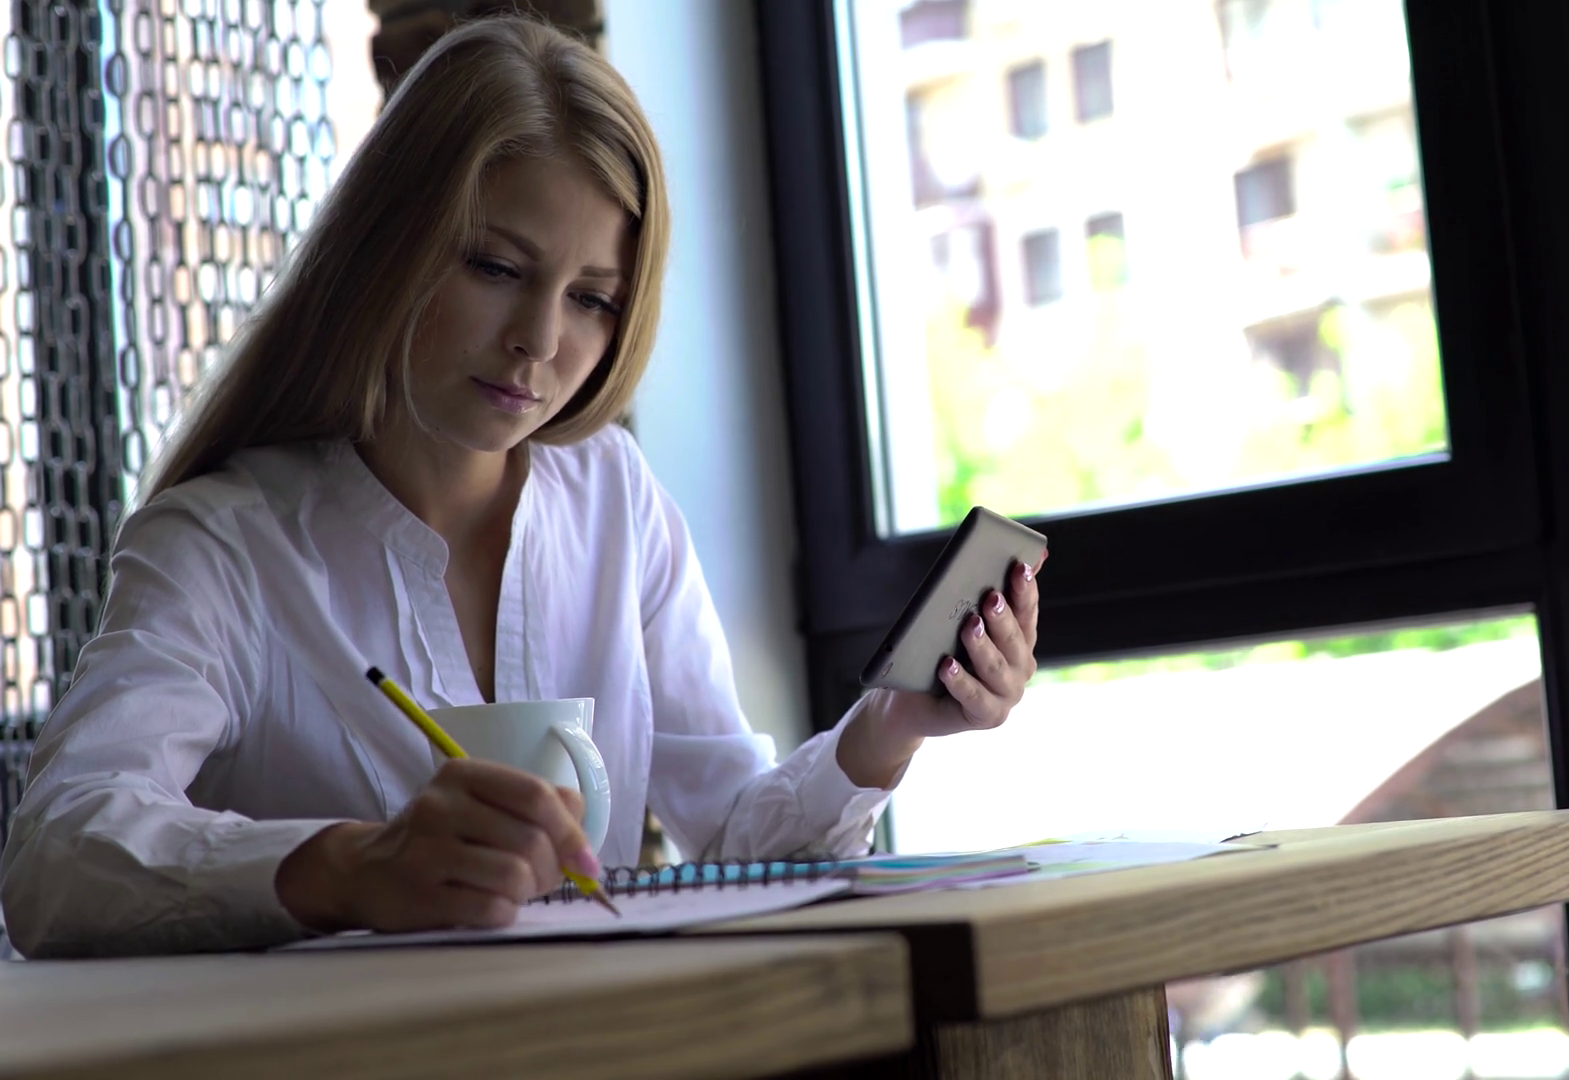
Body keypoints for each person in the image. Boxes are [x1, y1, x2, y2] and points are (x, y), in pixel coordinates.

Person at [0, 16, 1044, 958]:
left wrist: (889, 726)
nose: (540, 341)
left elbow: (733, 842)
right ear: (390, 243)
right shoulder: (224, 545)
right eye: (497, 269)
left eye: (593, 298)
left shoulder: (614, 500)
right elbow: (55, 855)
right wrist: (348, 867)